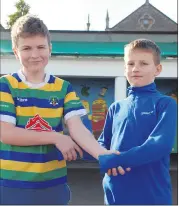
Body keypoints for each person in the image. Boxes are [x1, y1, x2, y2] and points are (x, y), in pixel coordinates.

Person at [0, 14, 117, 205]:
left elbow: (77, 128)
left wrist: (102, 154)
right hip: (11, 185)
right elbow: (6, 133)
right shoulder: (6, 85)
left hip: (52, 185)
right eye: (26, 48)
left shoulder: (63, 88)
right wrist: (56, 137)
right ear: (16, 52)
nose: (35, 54)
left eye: (40, 47)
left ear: (50, 49)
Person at [97, 39, 177, 205]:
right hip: (115, 195)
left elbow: (159, 145)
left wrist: (116, 160)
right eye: (130, 63)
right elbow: (102, 144)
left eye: (143, 63)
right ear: (124, 68)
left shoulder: (165, 104)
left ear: (158, 69)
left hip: (151, 196)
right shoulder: (115, 107)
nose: (135, 68)